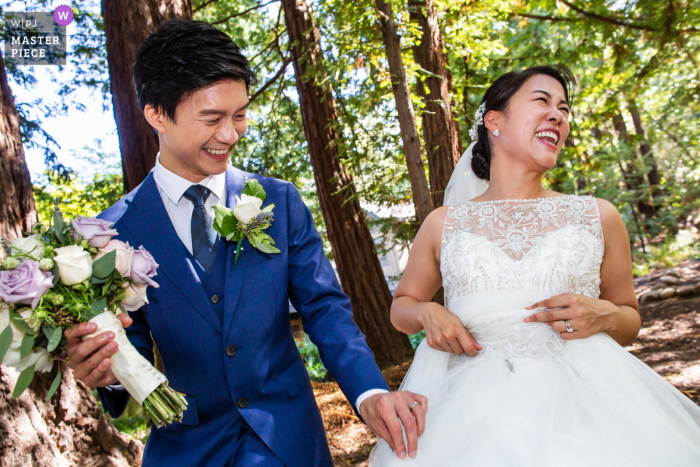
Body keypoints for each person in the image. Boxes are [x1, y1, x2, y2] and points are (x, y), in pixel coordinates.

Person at [62, 20, 427, 467]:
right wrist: (109, 374)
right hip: (186, 450)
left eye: (239, 115)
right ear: (157, 113)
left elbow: (325, 309)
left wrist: (369, 393)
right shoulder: (111, 232)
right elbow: (128, 346)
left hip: (289, 441)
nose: (231, 134)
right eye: (212, 118)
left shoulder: (279, 202)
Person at [370, 65, 700, 466]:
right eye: (542, 101)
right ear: (495, 121)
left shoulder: (599, 216)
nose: (557, 115)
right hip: (468, 409)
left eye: (563, 108)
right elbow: (401, 307)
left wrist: (608, 314)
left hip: (586, 402)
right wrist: (426, 311)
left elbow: (629, 321)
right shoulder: (444, 224)